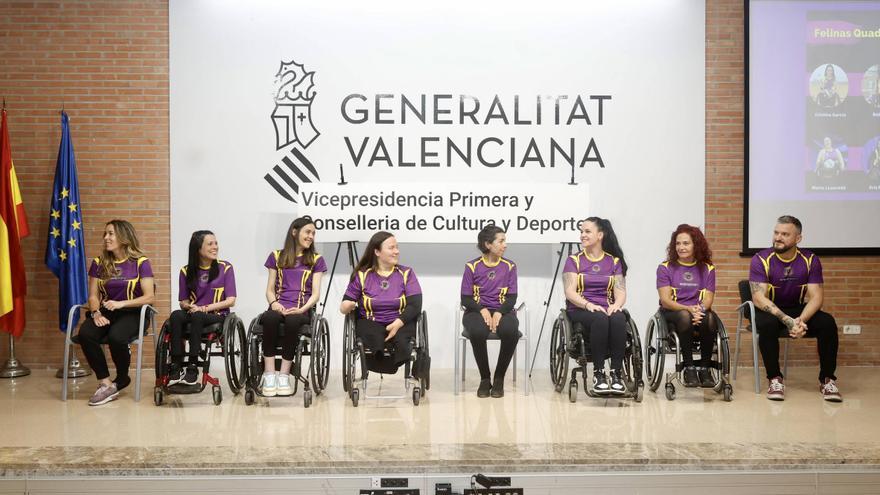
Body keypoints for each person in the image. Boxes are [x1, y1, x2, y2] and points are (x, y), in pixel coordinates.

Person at [749, 215, 841, 402]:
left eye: (785, 234)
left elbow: (816, 297)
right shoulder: (760, 259)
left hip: (797, 309)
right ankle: (775, 379)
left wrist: (800, 320)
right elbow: (759, 298)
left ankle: (827, 380)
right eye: (776, 232)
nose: (778, 237)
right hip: (770, 310)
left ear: (798, 238)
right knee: (767, 325)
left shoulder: (810, 259)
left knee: (827, 323)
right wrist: (787, 320)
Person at [78, 220, 155, 406]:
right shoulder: (99, 262)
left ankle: (121, 378)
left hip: (135, 313)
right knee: (86, 333)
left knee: (116, 336)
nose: (106, 238)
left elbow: (149, 297)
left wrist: (122, 304)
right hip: (106, 311)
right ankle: (105, 383)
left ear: (124, 236)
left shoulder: (141, 262)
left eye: (111, 234)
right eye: (105, 234)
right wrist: (96, 313)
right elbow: (93, 295)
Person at [260, 216, 327, 397]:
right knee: (269, 318)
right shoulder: (276, 256)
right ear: (294, 232)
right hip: (278, 306)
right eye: (308, 232)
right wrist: (274, 304)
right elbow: (269, 289)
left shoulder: (316, 259)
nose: (311, 236)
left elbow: (315, 294)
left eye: (313, 233)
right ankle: (269, 374)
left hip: (301, 309)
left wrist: (302, 309)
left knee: (292, 321)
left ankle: (284, 375)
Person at [340, 231, 422, 375]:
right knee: (373, 334)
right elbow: (345, 304)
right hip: (371, 321)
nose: (396, 251)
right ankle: (378, 359)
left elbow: (415, 305)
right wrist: (348, 305)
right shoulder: (362, 274)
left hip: (401, 321)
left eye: (397, 247)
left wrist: (397, 323)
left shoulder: (406, 273)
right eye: (391, 248)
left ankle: (400, 358)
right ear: (377, 251)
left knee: (403, 339)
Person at [563, 217, 628, 395]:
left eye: (587, 231)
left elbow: (621, 290)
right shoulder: (573, 260)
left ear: (600, 235)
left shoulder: (613, 262)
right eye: (581, 232)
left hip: (606, 307)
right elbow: (570, 292)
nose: (582, 235)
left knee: (618, 318)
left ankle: (616, 374)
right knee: (600, 318)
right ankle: (599, 374)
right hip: (580, 309)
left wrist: (616, 305)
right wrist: (588, 304)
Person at [168, 230, 237, 386]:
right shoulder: (186, 271)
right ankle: (176, 363)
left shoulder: (225, 268)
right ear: (198, 249)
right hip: (194, 313)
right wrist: (188, 305)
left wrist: (203, 308)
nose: (215, 247)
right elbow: (183, 301)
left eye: (216, 243)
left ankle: (193, 365)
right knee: (176, 315)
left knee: (198, 316)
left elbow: (231, 300)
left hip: (217, 314)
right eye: (210, 244)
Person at [460, 225, 520, 398]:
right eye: (501, 241)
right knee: (478, 331)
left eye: (505, 241)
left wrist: (499, 312)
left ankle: (499, 378)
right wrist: (482, 310)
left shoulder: (510, 266)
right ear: (488, 244)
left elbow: (512, 297)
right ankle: (485, 378)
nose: (505, 245)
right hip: (475, 311)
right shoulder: (472, 266)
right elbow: (466, 298)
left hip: (504, 310)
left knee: (510, 331)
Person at [656, 224, 718, 388]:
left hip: (699, 312)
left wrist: (700, 310)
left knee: (710, 318)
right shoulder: (665, 268)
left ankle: (705, 368)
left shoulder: (708, 268)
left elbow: (709, 299)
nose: (681, 247)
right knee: (684, 316)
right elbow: (665, 300)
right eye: (678, 243)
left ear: (696, 244)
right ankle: (689, 367)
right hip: (673, 313)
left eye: (686, 243)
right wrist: (690, 309)